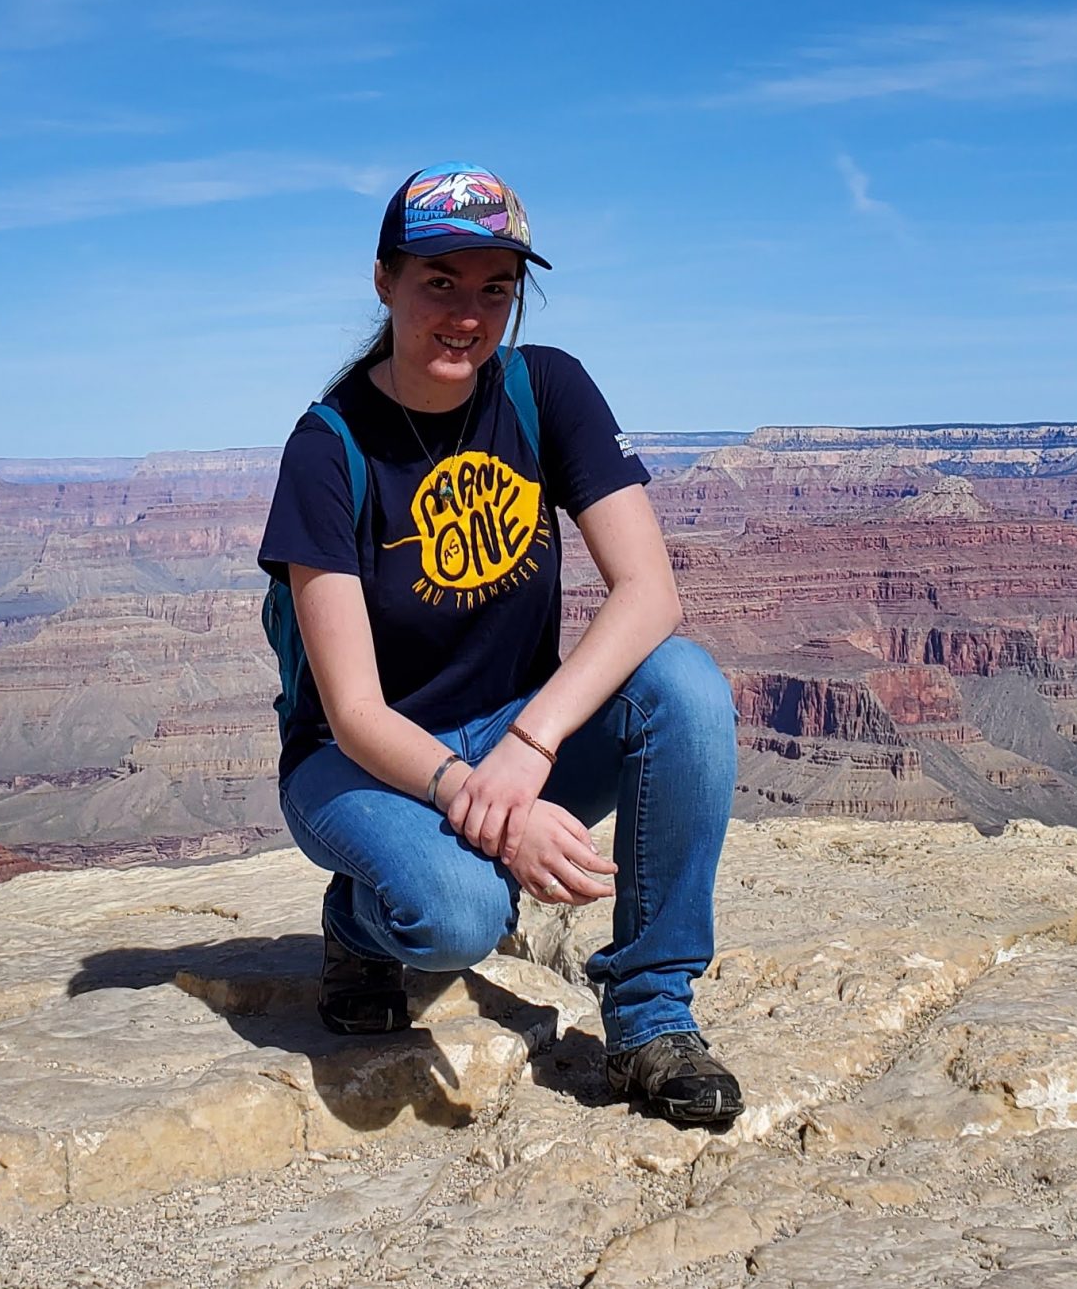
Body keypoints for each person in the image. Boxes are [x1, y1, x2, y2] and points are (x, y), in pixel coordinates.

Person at [255, 161, 743, 1124]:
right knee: (457, 917)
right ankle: (361, 922)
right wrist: (489, 808)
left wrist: (530, 746)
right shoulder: (329, 445)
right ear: (385, 280)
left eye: (495, 287)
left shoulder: (544, 388)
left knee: (683, 687)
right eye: (439, 280)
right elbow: (351, 710)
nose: (467, 314)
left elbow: (650, 593)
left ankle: (651, 1018)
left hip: (513, 733)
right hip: (362, 761)